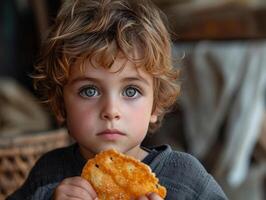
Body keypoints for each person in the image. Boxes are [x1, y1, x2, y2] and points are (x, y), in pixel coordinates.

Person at [7, 0, 228, 199]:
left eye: (131, 91)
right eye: (89, 91)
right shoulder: (48, 174)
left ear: (156, 104)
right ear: (60, 105)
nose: (111, 110)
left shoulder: (186, 179)